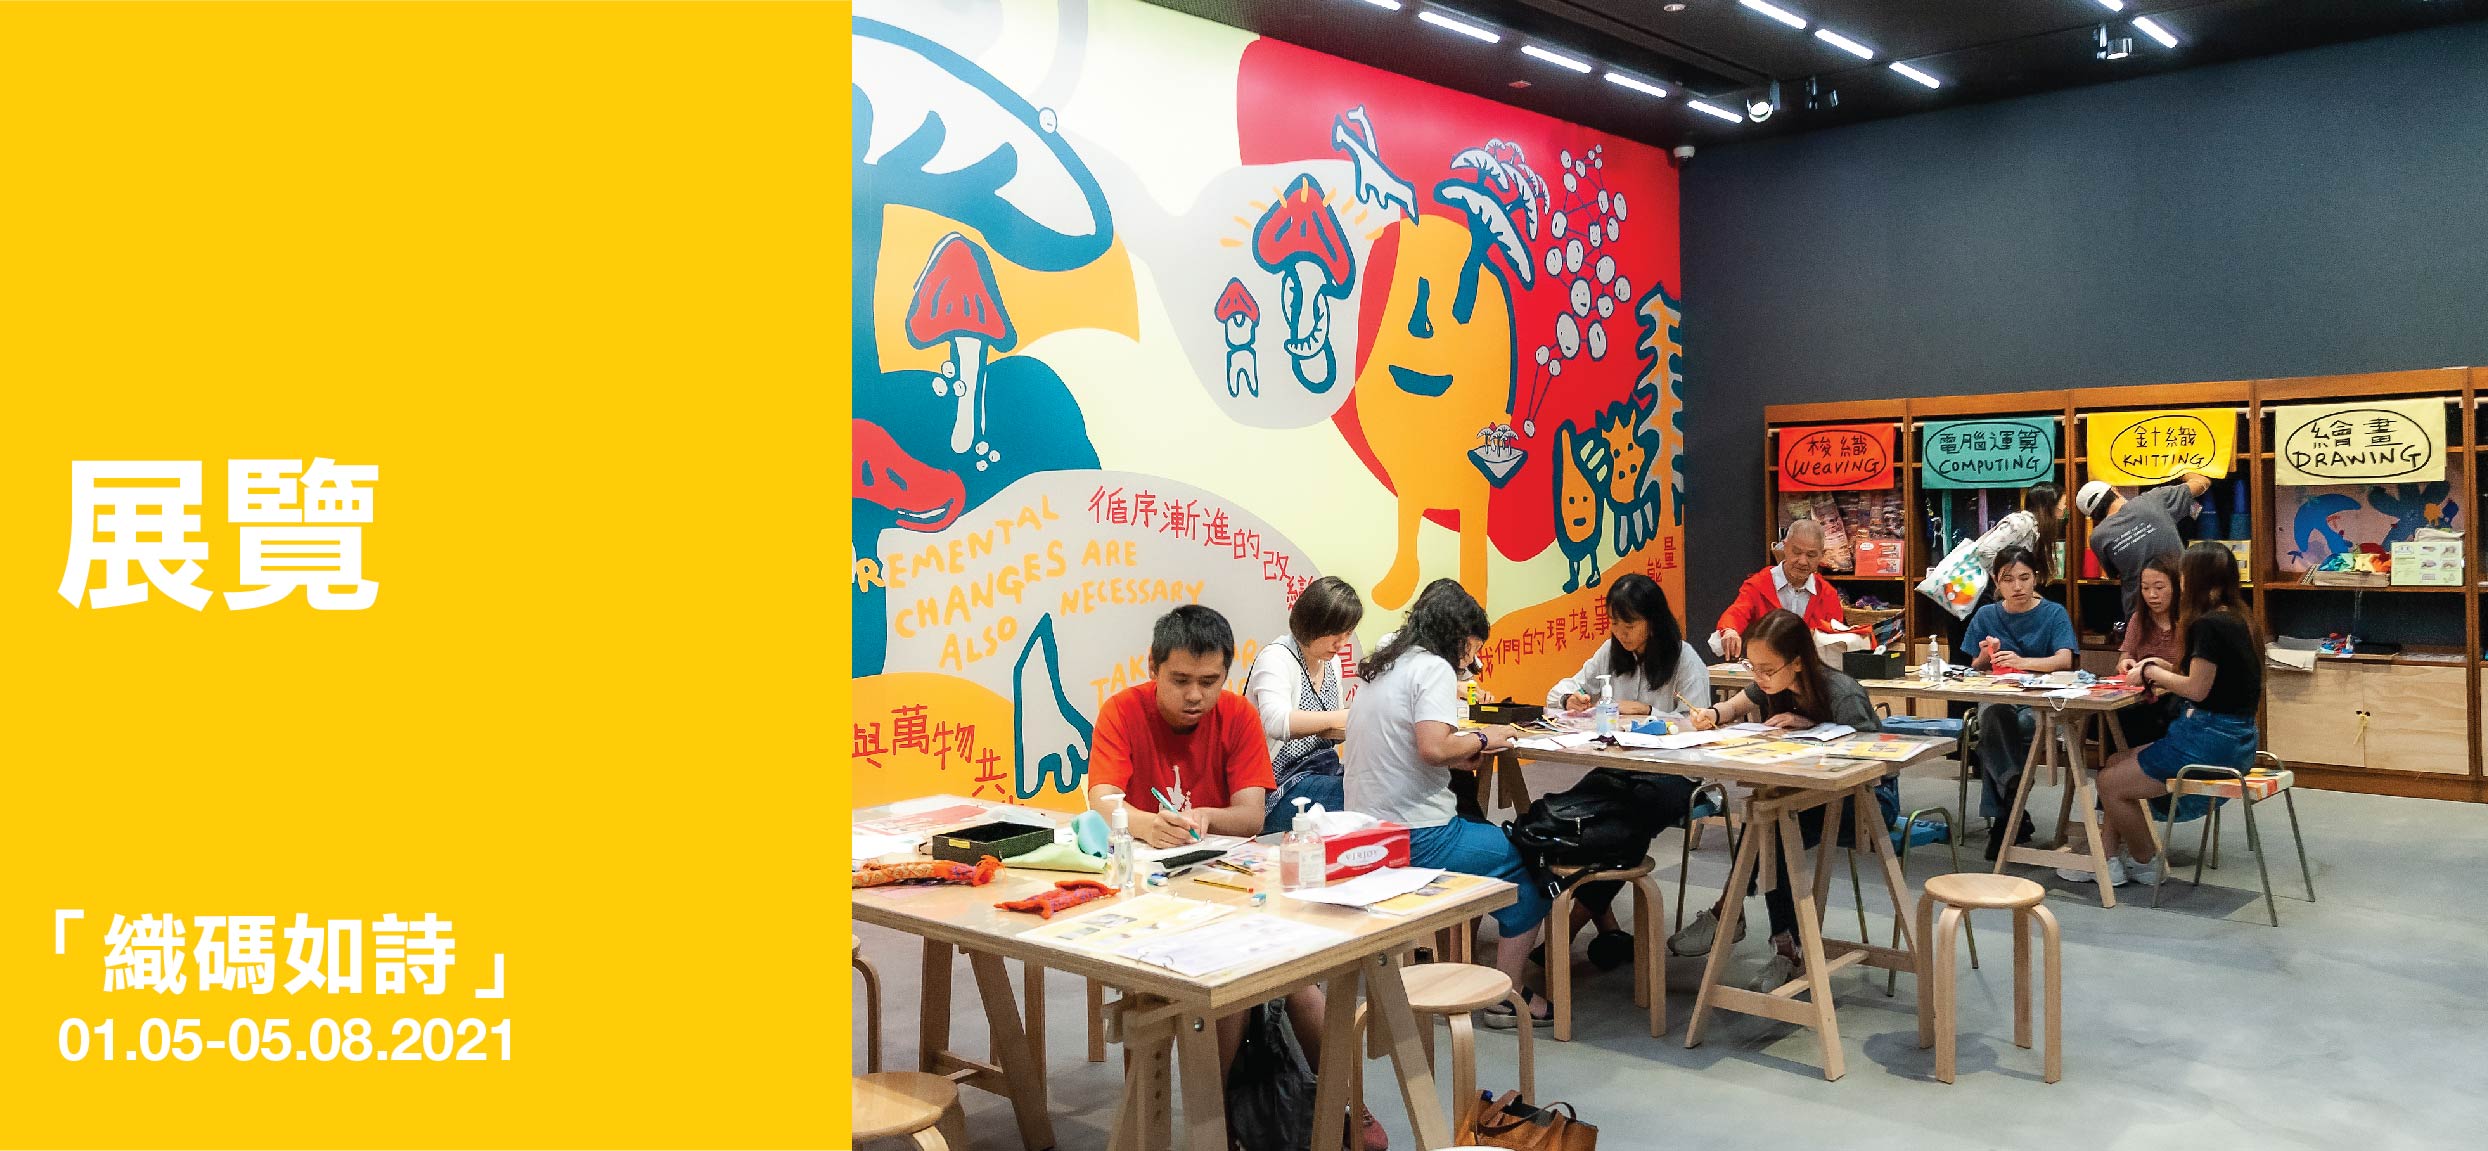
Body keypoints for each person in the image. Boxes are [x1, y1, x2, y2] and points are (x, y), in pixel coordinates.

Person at [1086, 604, 1387, 1151]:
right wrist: (1149, 824)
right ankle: (1222, 1122)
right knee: (1231, 989)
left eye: (1210, 681)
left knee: (1291, 979)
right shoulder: (1123, 711)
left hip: (1227, 881)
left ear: (1226, 673)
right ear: (1153, 667)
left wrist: (1204, 817)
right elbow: (1102, 798)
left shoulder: (1237, 715)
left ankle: (1343, 1102)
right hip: (1148, 891)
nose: (1195, 695)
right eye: (1180, 680)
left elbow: (1250, 816)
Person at [1345, 580, 1554, 1028]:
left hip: (1364, 829)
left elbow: (1409, 745)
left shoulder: (1387, 656)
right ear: (1458, 636)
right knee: (1529, 862)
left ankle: (1460, 965)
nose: (1471, 660)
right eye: (1472, 648)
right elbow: (1433, 748)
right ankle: (1507, 995)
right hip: (1416, 834)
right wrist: (1483, 737)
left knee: (1481, 831)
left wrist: (1461, 749)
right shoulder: (1434, 668)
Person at [1671, 610, 1895, 986]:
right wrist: (1711, 713)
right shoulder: (1775, 681)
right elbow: (1735, 705)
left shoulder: (1841, 693)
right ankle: (1778, 942)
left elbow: (1875, 760)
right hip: (1809, 797)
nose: (1759, 677)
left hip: (1865, 802)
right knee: (1769, 819)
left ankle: (1732, 914)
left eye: (1767, 669)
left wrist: (1819, 726)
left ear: (1798, 662)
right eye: (1752, 667)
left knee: (1770, 824)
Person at [2072, 541, 2263, 888]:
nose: (2181, 583)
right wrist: (2161, 666)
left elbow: (2197, 689)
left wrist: (2151, 672)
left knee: (2109, 783)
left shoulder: (2208, 624)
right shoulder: (2238, 618)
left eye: (2183, 576)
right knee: (2115, 762)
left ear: (2197, 578)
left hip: (2209, 740)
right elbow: (2209, 679)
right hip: (2237, 738)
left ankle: (2146, 860)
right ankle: (2109, 857)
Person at [1543, 573, 1705, 968]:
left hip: (1675, 773)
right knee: (1568, 808)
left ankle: (1569, 929)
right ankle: (1604, 928)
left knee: (1630, 822)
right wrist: (1571, 698)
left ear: (1653, 620)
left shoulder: (1685, 659)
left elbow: (1699, 724)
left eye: (1629, 624)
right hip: (1621, 766)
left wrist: (1649, 711)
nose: (1620, 633)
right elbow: (1557, 693)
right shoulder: (1610, 651)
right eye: (1614, 623)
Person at [1960, 546, 2079, 859]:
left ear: (2035, 577)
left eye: (2024, 578)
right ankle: (2014, 795)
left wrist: (2022, 662)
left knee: (2011, 729)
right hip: (2000, 696)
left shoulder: (2053, 613)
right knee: (1993, 718)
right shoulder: (1987, 614)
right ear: (1996, 582)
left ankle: (2006, 815)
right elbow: (1976, 666)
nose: (2017, 586)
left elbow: (2064, 660)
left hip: (2040, 702)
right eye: (2008, 579)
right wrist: (1985, 654)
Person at [1247, 576, 1364, 834]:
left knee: (1377, 785)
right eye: (1334, 634)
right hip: (1277, 785)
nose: (1341, 644)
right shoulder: (1276, 657)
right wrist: (1344, 716)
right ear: (1312, 623)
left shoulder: (1331, 663)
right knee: (1361, 798)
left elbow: (1334, 728)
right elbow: (1278, 723)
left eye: (1348, 634)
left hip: (1322, 770)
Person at [1709, 518, 1865, 659]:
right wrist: (1729, 630)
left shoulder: (1827, 595)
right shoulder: (1758, 585)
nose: (1802, 561)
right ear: (1784, 547)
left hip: (1810, 673)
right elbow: (1737, 613)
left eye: (1811, 555)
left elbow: (1835, 641)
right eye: (1796, 552)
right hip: (1765, 671)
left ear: (1821, 555)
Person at [2078, 472, 2213, 619]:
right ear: (2114, 490)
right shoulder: (2153, 499)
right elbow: (2202, 482)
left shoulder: (2097, 537)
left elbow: (2114, 573)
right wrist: (2179, 471)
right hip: (2182, 604)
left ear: (2093, 516)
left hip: (2139, 613)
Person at [2114, 553, 2188, 747]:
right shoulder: (2138, 619)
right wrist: (2126, 663)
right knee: (2110, 720)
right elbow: (2125, 658)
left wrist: (2161, 667)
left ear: (2178, 586)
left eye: (2159, 587)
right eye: (2145, 588)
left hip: (2177, 701)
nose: (2152, 595)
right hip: (2141, 700)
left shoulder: (2189, 622)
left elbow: (2195, 677)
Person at [1972, 481, 2066, 579]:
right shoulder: (2022, 523)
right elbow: (1984, 551)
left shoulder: (2036, 528)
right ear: (2049, 505)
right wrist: (2006, 577)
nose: (2065, 508)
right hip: (1985, 584)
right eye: (2064, 503)